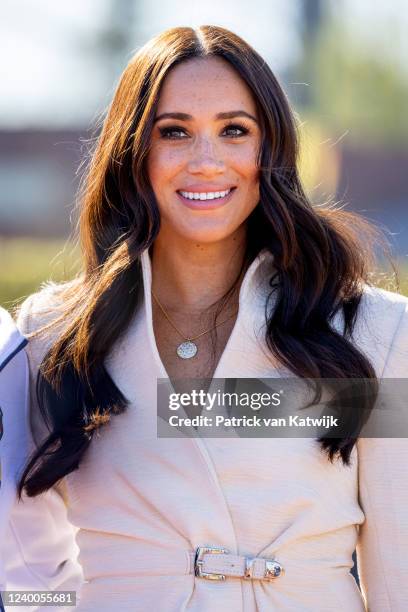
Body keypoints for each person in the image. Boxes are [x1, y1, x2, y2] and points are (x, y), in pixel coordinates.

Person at [2, 25, 408, 611]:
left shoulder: (374, 332)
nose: (207, 161)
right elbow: (24, 566)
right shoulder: (53, 333)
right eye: (174, 132)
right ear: (133, 152)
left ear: (269, 150)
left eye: (234, 131)